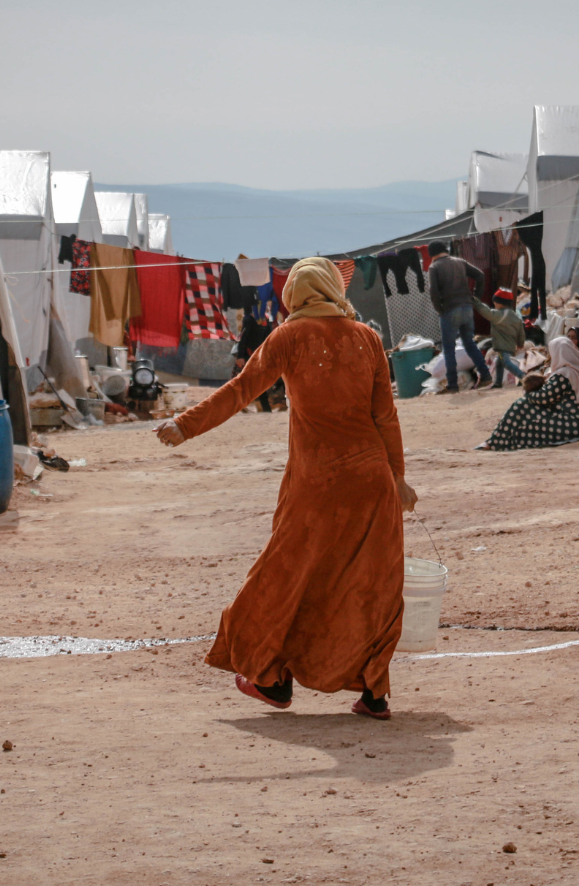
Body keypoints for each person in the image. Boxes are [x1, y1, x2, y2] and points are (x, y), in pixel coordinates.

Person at [155, 257, 418, 720]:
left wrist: (185, 425)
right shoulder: (367, 337)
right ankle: (374, 691)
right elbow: (386, 416)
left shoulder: (288, 336)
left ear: (294, 294)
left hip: (317, 486)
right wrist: (397, 478)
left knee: (281, 578)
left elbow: (241, 390)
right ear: (334, 289)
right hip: (372, 482)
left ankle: (272, 679)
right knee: (370, 586)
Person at [478, 334, 579, 451]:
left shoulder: (564, 375)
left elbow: (543, 398)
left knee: (522, 405)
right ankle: (497, 440)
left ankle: (494, 442)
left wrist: (528, 392)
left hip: (573, 426)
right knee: (526, 415)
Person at [426, 240, 491, 393]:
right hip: (467, 308)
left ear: (431, 254)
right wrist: (476, 298)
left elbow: (433, 292)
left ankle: (453, 385)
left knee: (449, 349)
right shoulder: (459, 262)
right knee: (470, 344)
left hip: (449, 310)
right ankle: (486, 375)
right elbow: (480, 276)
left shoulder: (434, 267)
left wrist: (439, 310)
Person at [471, 288, 527, 389]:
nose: (494, 304)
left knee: (506, 363)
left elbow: (486, 312)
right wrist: (520, 343)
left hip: (503, 345)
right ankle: (498, 383)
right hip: (510, 344)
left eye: (495, 302)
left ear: (500, 303)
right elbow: (521, 332)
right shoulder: (514, 316)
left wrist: (475, 302)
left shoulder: (500, 316)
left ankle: (523, 377)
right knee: (499, 363)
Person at [234, 311, 284, 412]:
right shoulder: (249, 319)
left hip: (261, 356)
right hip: (249, 356)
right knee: (246, 382)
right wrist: (240, 356)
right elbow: (243, 338)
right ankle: (245, 405)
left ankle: (267, 407)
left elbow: (269, 338)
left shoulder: (267, 319)